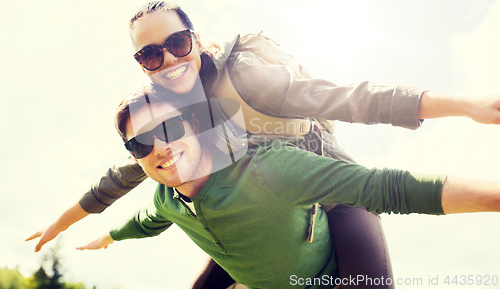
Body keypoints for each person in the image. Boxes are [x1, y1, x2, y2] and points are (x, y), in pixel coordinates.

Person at [26, 1, 500, 288]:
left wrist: (463, 104)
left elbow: (350, 100)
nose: (168, 59)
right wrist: (61, 224)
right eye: (150, 54)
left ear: (196, 39)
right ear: (142, 65)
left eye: (178, 42)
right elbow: (125, 177)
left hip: (333, 190)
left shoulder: (246, 78)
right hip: (261, 203)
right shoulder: (166, 114)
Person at [78, 83, 500, 289]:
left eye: (170, 127)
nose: (162, 147)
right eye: (142, 142)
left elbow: (389, 188)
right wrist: (110, 236)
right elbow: (146, 220)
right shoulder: (165, 199)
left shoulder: (267, 171)